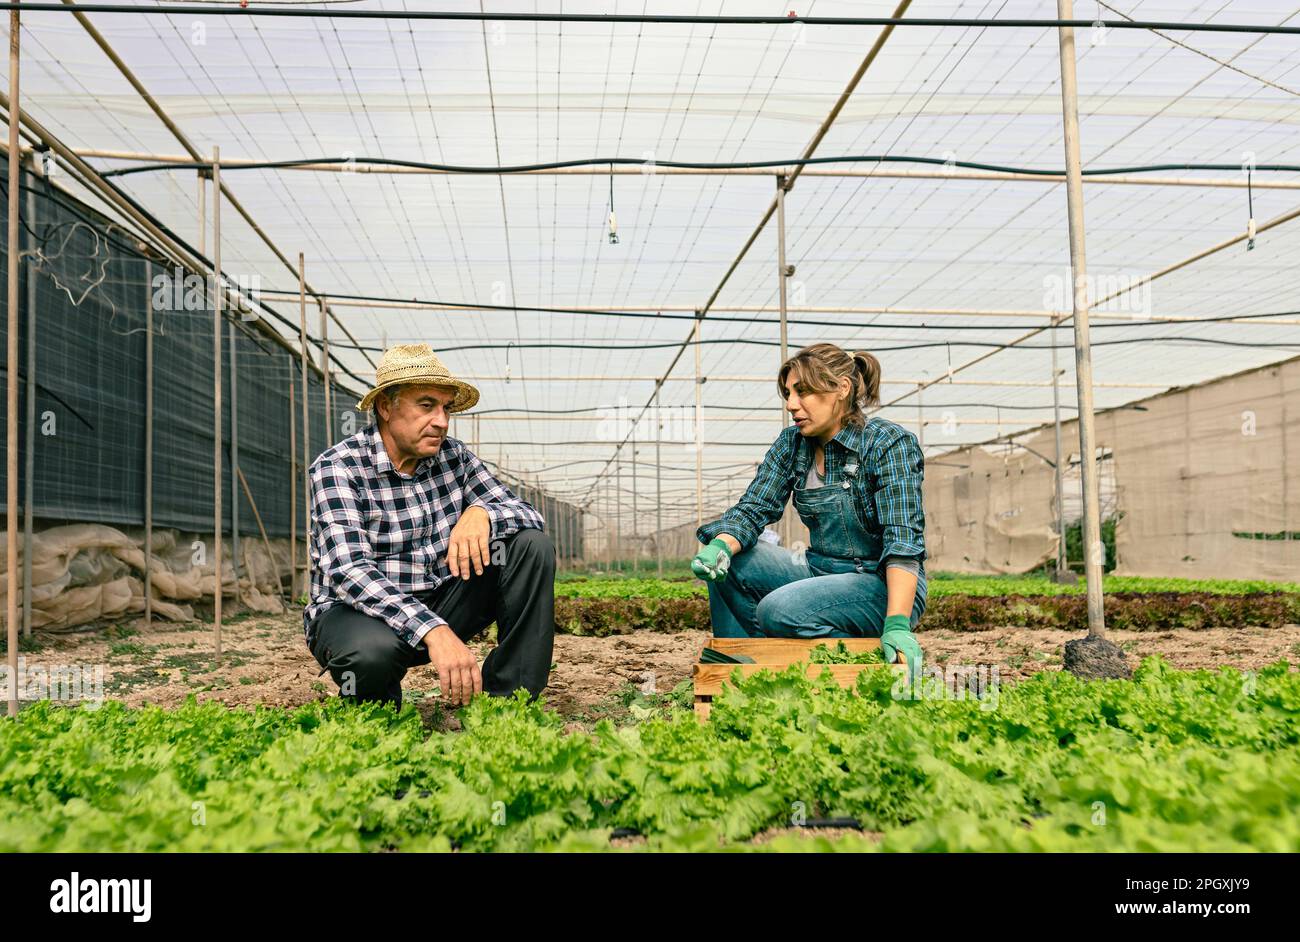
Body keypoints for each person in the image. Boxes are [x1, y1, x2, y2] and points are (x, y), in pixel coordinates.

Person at [304, 344, 555, 708]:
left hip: (442, 597)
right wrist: (433, 630)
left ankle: (508, 700)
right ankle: (377, 713)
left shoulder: (454, 457)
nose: (441, 420)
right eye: (426, 405)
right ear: (386, 407)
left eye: (446, 408)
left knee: (530, 547)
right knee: (369, 657)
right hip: (360, 613)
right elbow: (349, 571)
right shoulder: (339, 468)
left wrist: (483, 513)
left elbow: (529, 514)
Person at [691, 343, 926, 672]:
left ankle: (854, 661)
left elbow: (903, 540)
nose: (791, 405)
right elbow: (753, 509)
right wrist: (720, 545)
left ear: (841, 388)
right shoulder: (792, 444)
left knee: (779, 610)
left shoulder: (887, 443)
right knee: (730, 560)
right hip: (818, 571)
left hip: (879, 583)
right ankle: (743, 666)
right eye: (788, 393)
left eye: (803, 392)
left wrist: (898, 622)